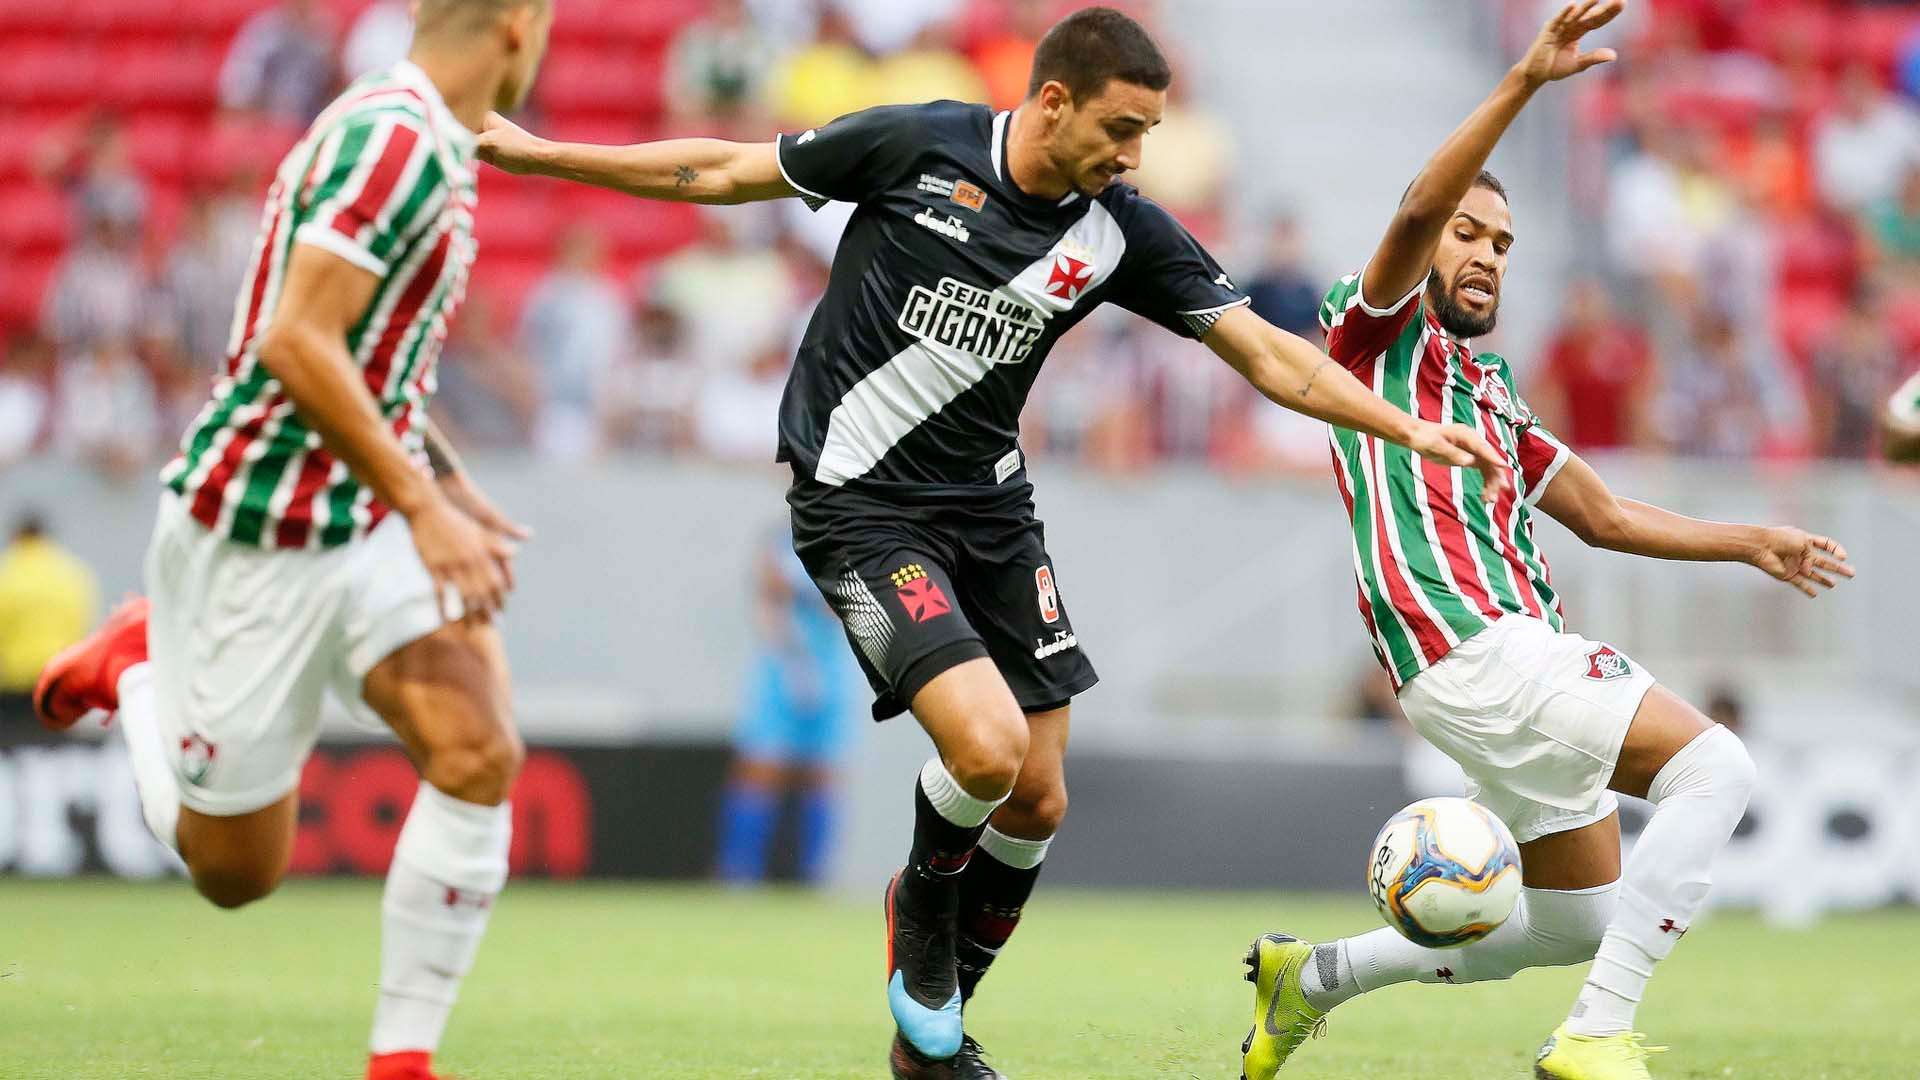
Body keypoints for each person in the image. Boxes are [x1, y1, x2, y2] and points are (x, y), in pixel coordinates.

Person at [476, 8, 1510, 1076]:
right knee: (984, 746)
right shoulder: (919, 142)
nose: (1134, 153)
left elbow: (1266, 355)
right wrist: (545, 154)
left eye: (1150, 131)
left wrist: (1404, 424)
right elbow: (725, 172)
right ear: (1052, 100)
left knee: (1037, 795)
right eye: (1121, 125)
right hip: (859, 506)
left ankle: (935, 1036)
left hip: (991, 513)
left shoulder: (1119, 228)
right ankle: (919, 909)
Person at [1240, 7, 1855, 1080]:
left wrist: (1748, 539)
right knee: (1717, 766)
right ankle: (1596, 1032)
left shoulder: (1488, 392)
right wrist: (1525, 82)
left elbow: (1605, 515)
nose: (1485, 256)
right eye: (1467, 236)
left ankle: (1316, 978)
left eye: (1502, 245)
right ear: (1425, 244)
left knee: (1573, 922)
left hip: (1490, 657)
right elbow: (1422, 201)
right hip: (1476, 642)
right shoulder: (1374, 335)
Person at [32, 5, 554, 1080]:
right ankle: (138, 671)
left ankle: (401, 1061)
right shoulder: (394, 143)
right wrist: (424, 506)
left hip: (357, 515)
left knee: (479, 750)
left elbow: (373, 360)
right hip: (255, 531)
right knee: (233, 874)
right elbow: (294, 341)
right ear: (516, 23)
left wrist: (446, 487)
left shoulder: (429, 140)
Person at [714, 525, 858, 884]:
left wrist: (799, 592)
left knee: (823, 773)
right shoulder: (778, 540)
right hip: (781, 666)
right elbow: (768, 596)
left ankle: (814, 877)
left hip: (830, 668)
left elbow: (844, 604)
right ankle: (738, 874)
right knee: (761, 768)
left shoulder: (849, 541)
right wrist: (791, 655)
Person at [0, 514, 98, 706]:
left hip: (16, 682)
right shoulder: (72, 573)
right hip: (58, 678)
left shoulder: (8, 573)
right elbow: (81, 623)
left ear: (16, 537)